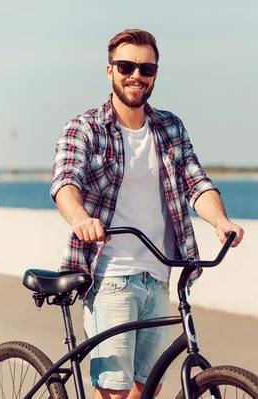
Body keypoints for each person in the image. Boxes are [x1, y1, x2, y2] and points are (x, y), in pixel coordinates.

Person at [49, 29, 244, 399]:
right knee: (116, 393)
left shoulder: (170, 128)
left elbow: (197, 183)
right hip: (110, 276)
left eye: (146, 68)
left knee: (147, 389)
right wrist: (80, 219)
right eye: (126, 66)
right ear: (110, 71)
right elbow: (65, 183)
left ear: (155, 73)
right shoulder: (86, 128)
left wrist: (221, 221)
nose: (136, 75)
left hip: (159, 276)